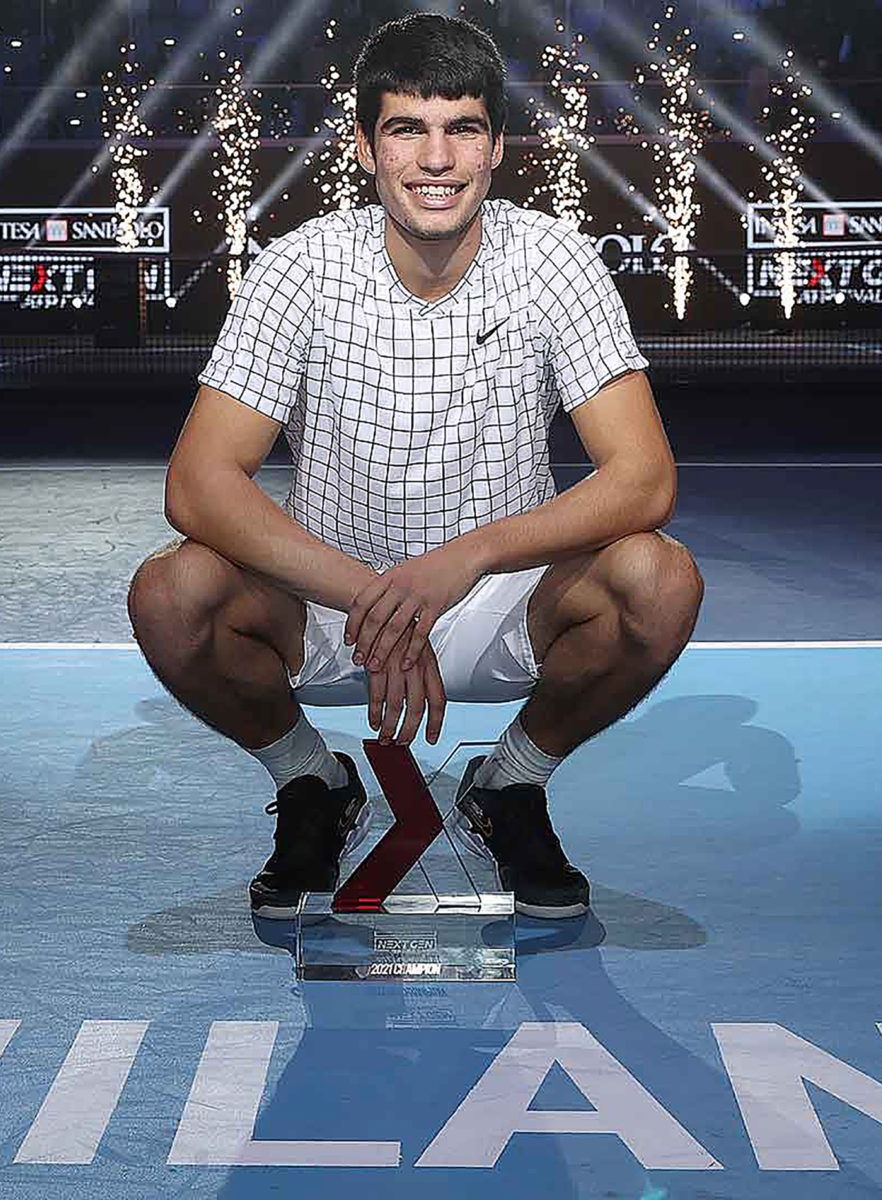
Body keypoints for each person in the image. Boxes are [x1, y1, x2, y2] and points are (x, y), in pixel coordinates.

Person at [127, 13, 703, 922]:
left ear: (497, 146)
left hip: (503, 601)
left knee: (660, 581)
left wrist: (464, 560)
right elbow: (198, 485)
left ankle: (510, 783)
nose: (437, 159)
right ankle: (313, 780)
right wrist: (376, 596)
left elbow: (644, 478)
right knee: (170, 594)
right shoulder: (298, 269)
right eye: (407, 128)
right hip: (331, 604)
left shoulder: (554, 260)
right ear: (366, 146)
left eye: (462, 128)